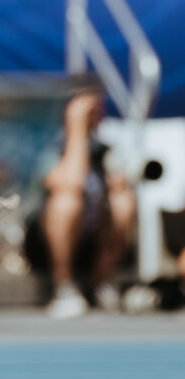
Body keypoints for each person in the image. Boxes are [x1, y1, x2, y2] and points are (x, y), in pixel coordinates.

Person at [37, 91, 135, 319]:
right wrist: (77, 130)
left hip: (94, 235)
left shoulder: (104, 149)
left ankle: (100, 281)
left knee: (124, 202)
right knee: (66, 202)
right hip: (46, 242)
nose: (96, 117)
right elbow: (71, 182)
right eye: (89, 112)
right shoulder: (51, 147)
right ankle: (64, 285)